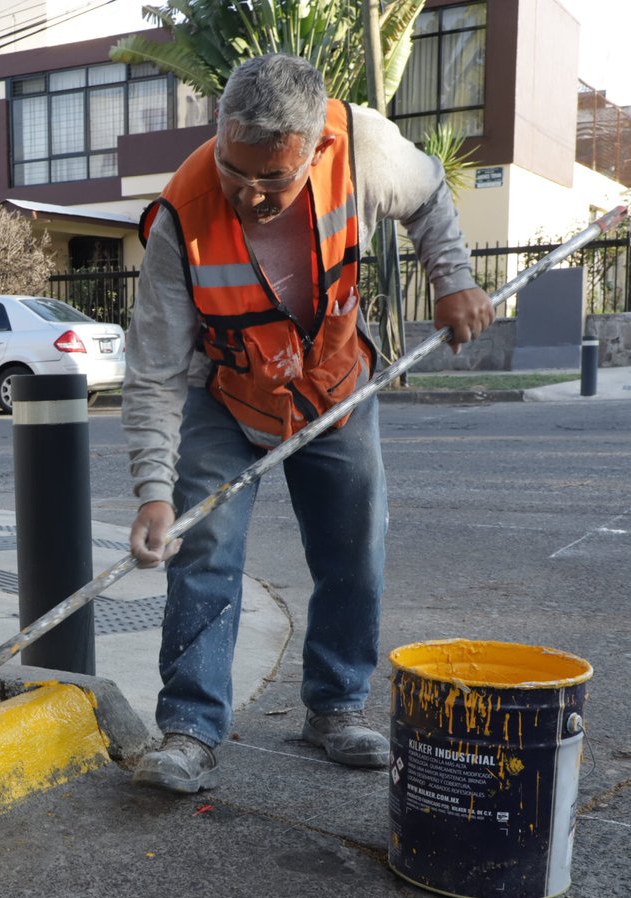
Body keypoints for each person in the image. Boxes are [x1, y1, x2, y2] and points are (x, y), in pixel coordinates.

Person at [123, 53, 493, 793]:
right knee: (203, 550)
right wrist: (154, 492)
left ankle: (336, 705)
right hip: (227, 397)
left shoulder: (360, 148)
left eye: (272, 179)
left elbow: (429, 196)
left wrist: (453, 280)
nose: (248, 194)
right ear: (219, 133)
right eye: (234, 170)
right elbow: (155, 368)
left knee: (354, 547)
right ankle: (190, 728)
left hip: (335, 389)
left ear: (313, 149)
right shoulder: (180, 216)